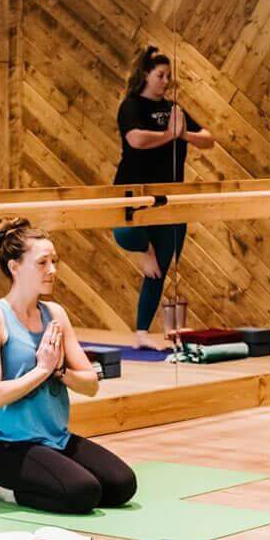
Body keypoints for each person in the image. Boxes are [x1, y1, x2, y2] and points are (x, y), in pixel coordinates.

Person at [0, 216, 138, 514]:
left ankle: (48, 478)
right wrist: (42, 370)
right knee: (82, 493)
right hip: (5, 446)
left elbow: (90, 384)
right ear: (15, 267)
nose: (52, 270)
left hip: (55, 439)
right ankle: (8, 492)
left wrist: (60, 371)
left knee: (122, 485)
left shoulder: (55, 314)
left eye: (54, 261)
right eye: (42, 263)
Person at [112, 45, 214, 349]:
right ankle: (145, 249)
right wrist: (169, 135)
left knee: (159, 270)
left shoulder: (174, 109)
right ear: (145, 75)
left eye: (169, 76)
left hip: (170, 196)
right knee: (124, 233)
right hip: (134, 190)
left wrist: (184, 135)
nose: (166, 81)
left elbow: (208, 139)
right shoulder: (131, 106)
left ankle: (142, 333)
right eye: (161, 75)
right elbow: (136, 139)